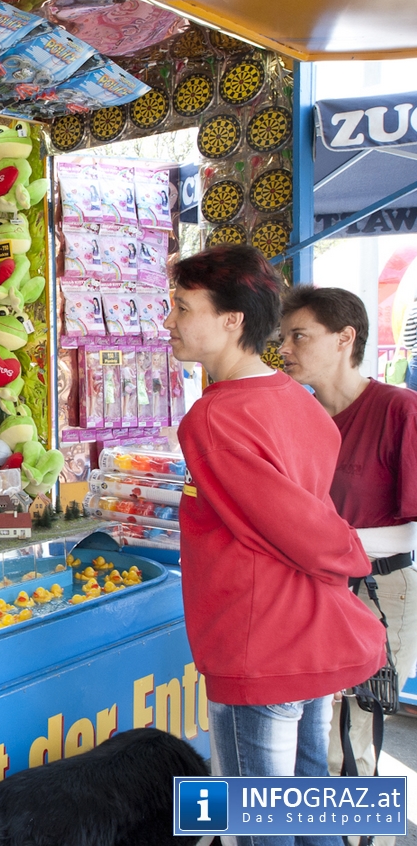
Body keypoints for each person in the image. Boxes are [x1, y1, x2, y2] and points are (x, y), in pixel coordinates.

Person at [165, 246, 385, 824]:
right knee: (310, 809)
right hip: (308, 632)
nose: (169, 321)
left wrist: (353, 552)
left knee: (256, 825)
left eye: (183, 307)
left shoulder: (212, 419)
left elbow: (301, 527)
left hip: (258, 645)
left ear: (232, 319)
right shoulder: (299, 399)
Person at [280, 286, 417, 797]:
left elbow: (407, 528)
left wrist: (319, 540)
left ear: (345, 338)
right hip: (311, 595)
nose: (286, 348)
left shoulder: (398, 409)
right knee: (308, 744)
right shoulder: (298, 418)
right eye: (282, 337)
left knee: (352, 745)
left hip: (380, 594)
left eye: (299, 336)